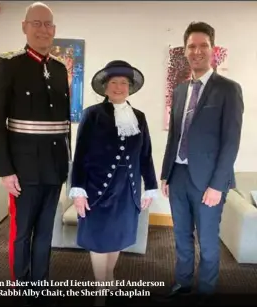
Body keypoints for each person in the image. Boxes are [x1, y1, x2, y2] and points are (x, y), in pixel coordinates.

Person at [0, 1, 71, 292]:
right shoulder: (9, 64)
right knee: (21, 233)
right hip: (22, 170)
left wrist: (66, 164)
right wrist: (5, 170)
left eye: (48, 24)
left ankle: (40, 285)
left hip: (54, 168)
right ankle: (21, 289)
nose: (43, 29)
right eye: (36, 23)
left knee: (46, 233)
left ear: (55, 30)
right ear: (24, 27)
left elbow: (64, 125)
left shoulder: (61, 70)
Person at [160, 22, 244, 297]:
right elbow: (174, 135)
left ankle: (206, 292)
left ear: (213, 50)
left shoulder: (228, 89)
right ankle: (183, 284)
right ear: (185, 51)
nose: (197, 51)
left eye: (203, 46)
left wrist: (218, 185)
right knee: (181, 239)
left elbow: (231, 142)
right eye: (191, 46)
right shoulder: (181, 90)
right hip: (179, 176)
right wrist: (165, 173)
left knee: (208, 243)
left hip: (209, 181)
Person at [69, 60, 158, 305]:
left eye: (124, 83)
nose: (119, 87)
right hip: (96, 190)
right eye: (114, 82)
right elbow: (81, 155)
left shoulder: (139, 117)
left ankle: (109, 275)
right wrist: (78, 191)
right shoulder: (92, 114)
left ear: (130, 87)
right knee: (98, 241)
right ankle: (101, 289)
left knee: (117, 237)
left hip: (126, 190)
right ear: (105, 87)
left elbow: (146, 155)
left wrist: (150, 185)